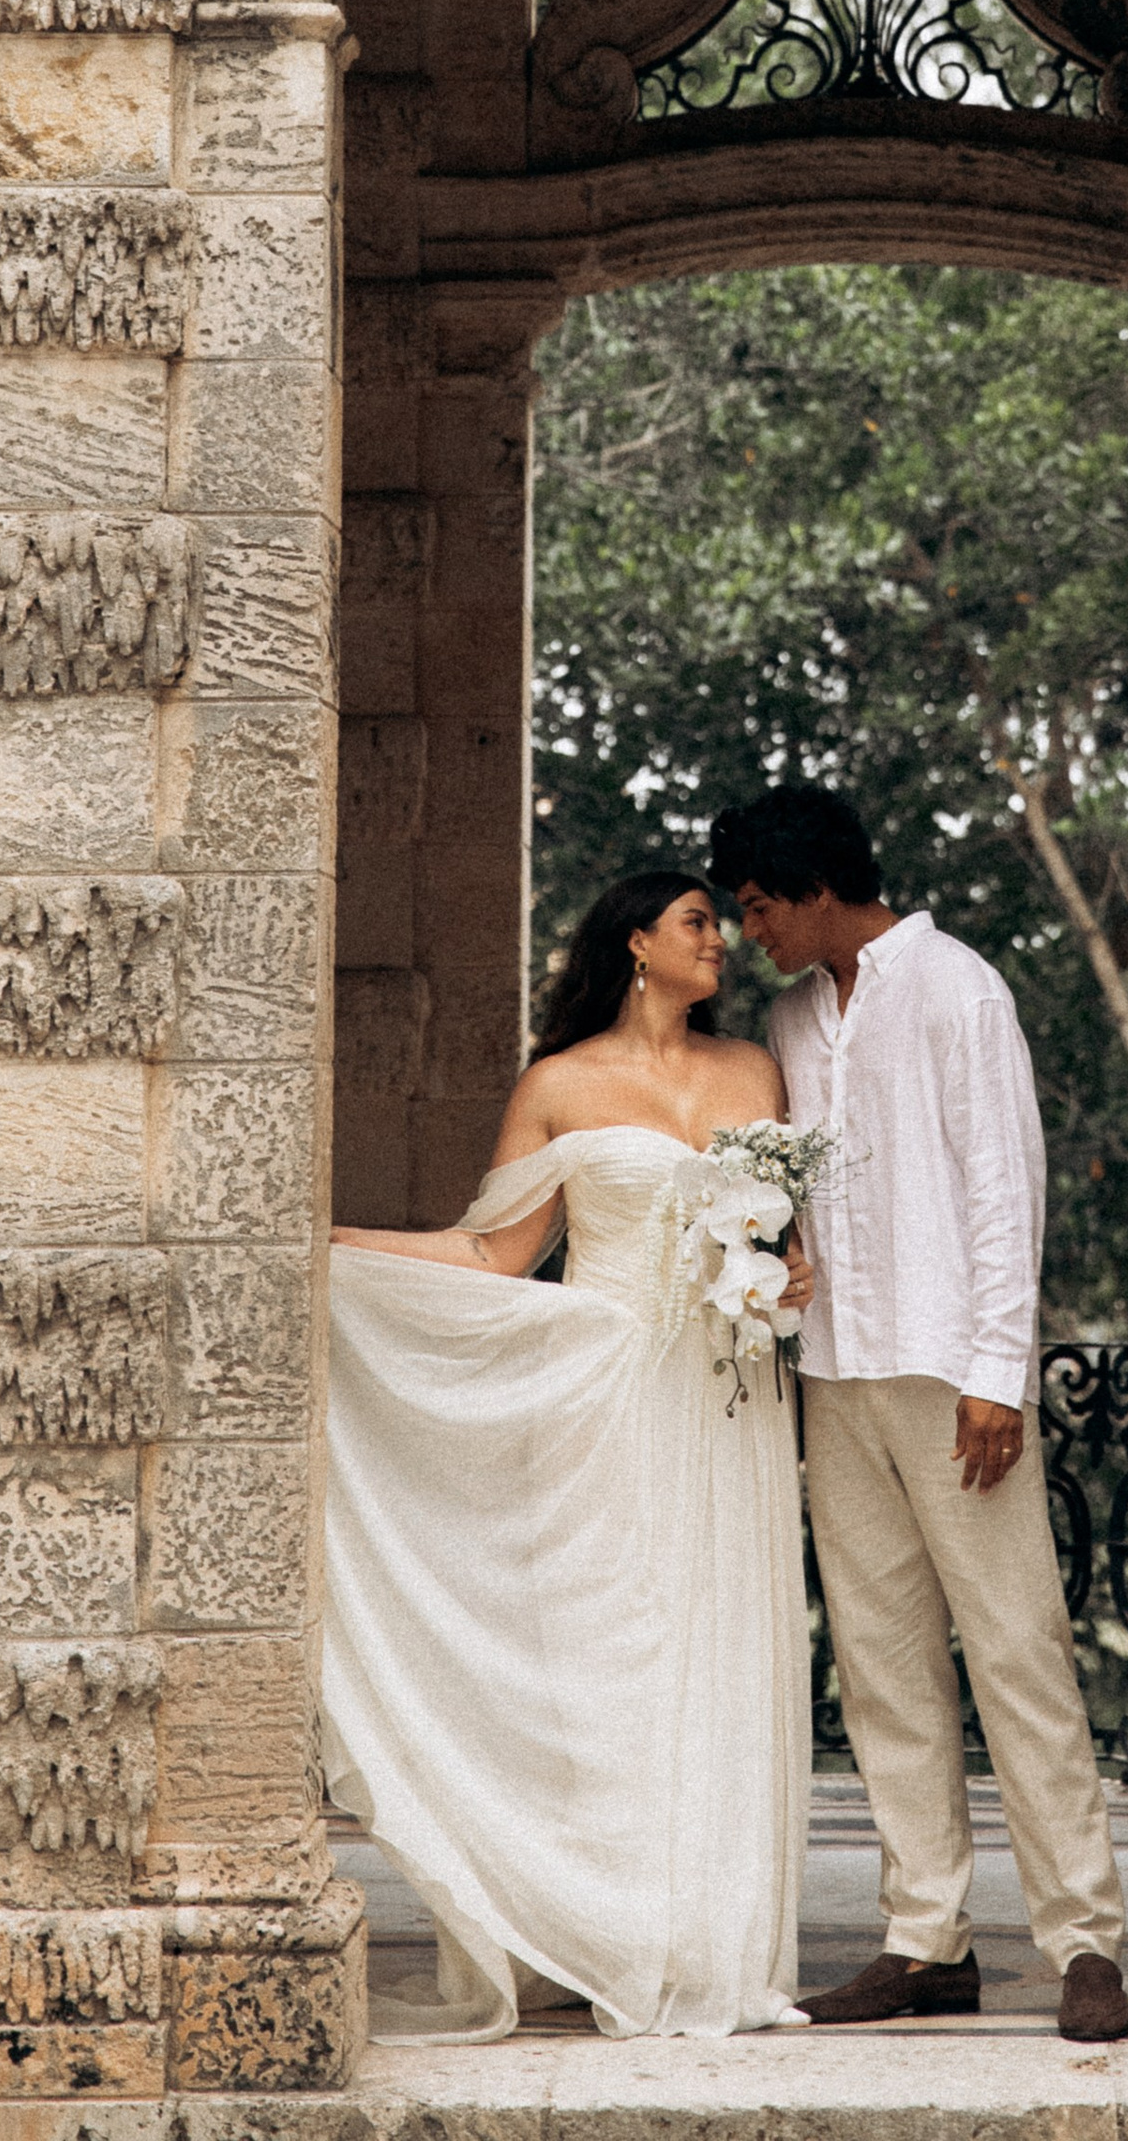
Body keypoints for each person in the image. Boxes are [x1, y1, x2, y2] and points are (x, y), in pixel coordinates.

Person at [319, 869, 813, 2041]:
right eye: (699, 924)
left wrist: (792, 1272)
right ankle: (606, 1929)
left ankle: (708, 1942)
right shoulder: (559, 1084)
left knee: (724, 1646)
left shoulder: (754, 1074)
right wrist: (329, 1238)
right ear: (638, 943)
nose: (723, 943)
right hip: (602, 1394)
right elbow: (494, 1257)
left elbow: (791, 1237)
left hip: (730, 1398)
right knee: (611, 1655)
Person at [716, 783, 1128, 2048]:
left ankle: (1082, 1942)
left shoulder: (960, 989)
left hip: (956, 1380)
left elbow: (1004, 1189)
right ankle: (923, 1939)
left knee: (1018, 1652)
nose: (748, 934)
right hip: (834, 1376)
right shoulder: (792, 1018)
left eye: (756, 907)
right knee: (883, 1665)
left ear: (816, 886)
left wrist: (996, 1374)